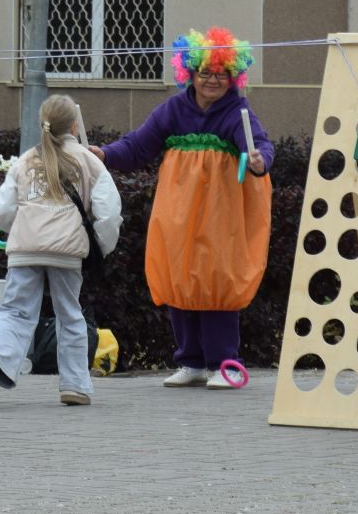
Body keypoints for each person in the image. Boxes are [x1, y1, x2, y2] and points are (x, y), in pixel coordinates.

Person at [93, 26, 274, 388]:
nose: (212, 80)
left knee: (215, 277)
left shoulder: (237, 110)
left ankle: (227, 364)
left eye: (221, 73)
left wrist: (259, 161)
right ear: (189, 72)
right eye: (204, 72)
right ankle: (190, 361)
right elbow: (137, 146)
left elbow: (259, 146)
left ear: (232, 76)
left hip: (221, 211)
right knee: (180, 274)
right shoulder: (173, 109)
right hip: (177, 208)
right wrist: (103, 154)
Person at [0, 94, 120, 409]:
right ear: (74, 124)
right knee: (70, 314)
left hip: (24, 249)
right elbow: (109, 212)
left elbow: (2, 209)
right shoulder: (88, 161)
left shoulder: (26, 160)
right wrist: (100, 246)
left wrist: (17, 228)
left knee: (15, 311)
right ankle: (74, 385)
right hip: (67, 251)